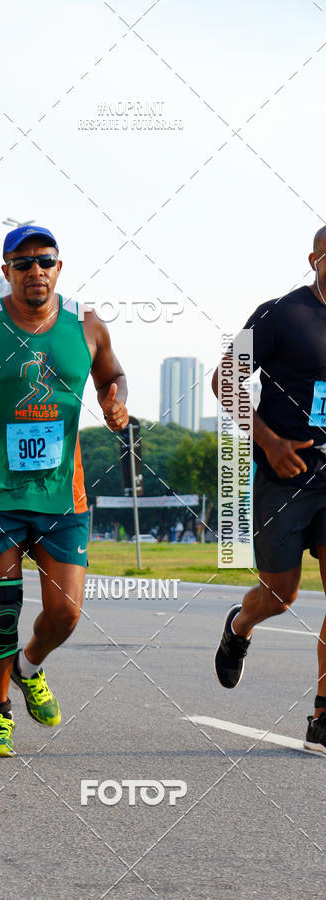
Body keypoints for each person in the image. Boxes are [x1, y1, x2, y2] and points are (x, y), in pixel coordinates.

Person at [0, 225, 128, 757]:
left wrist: (114, 402)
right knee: (2, 610)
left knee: (66, 613)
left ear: (59, 267)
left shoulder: (87, 326)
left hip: (64, 495)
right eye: (23, 263)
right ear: (6, 270)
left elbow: (114, 376)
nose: (35, 271)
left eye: (45, 261)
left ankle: (28, 666)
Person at [213, 226, 326, 755]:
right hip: (285, 477)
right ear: (314, 259)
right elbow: (224, 380)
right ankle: (240, 624)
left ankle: (322, 715)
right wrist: (271, 440)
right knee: (281, 595)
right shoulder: (281, 314)